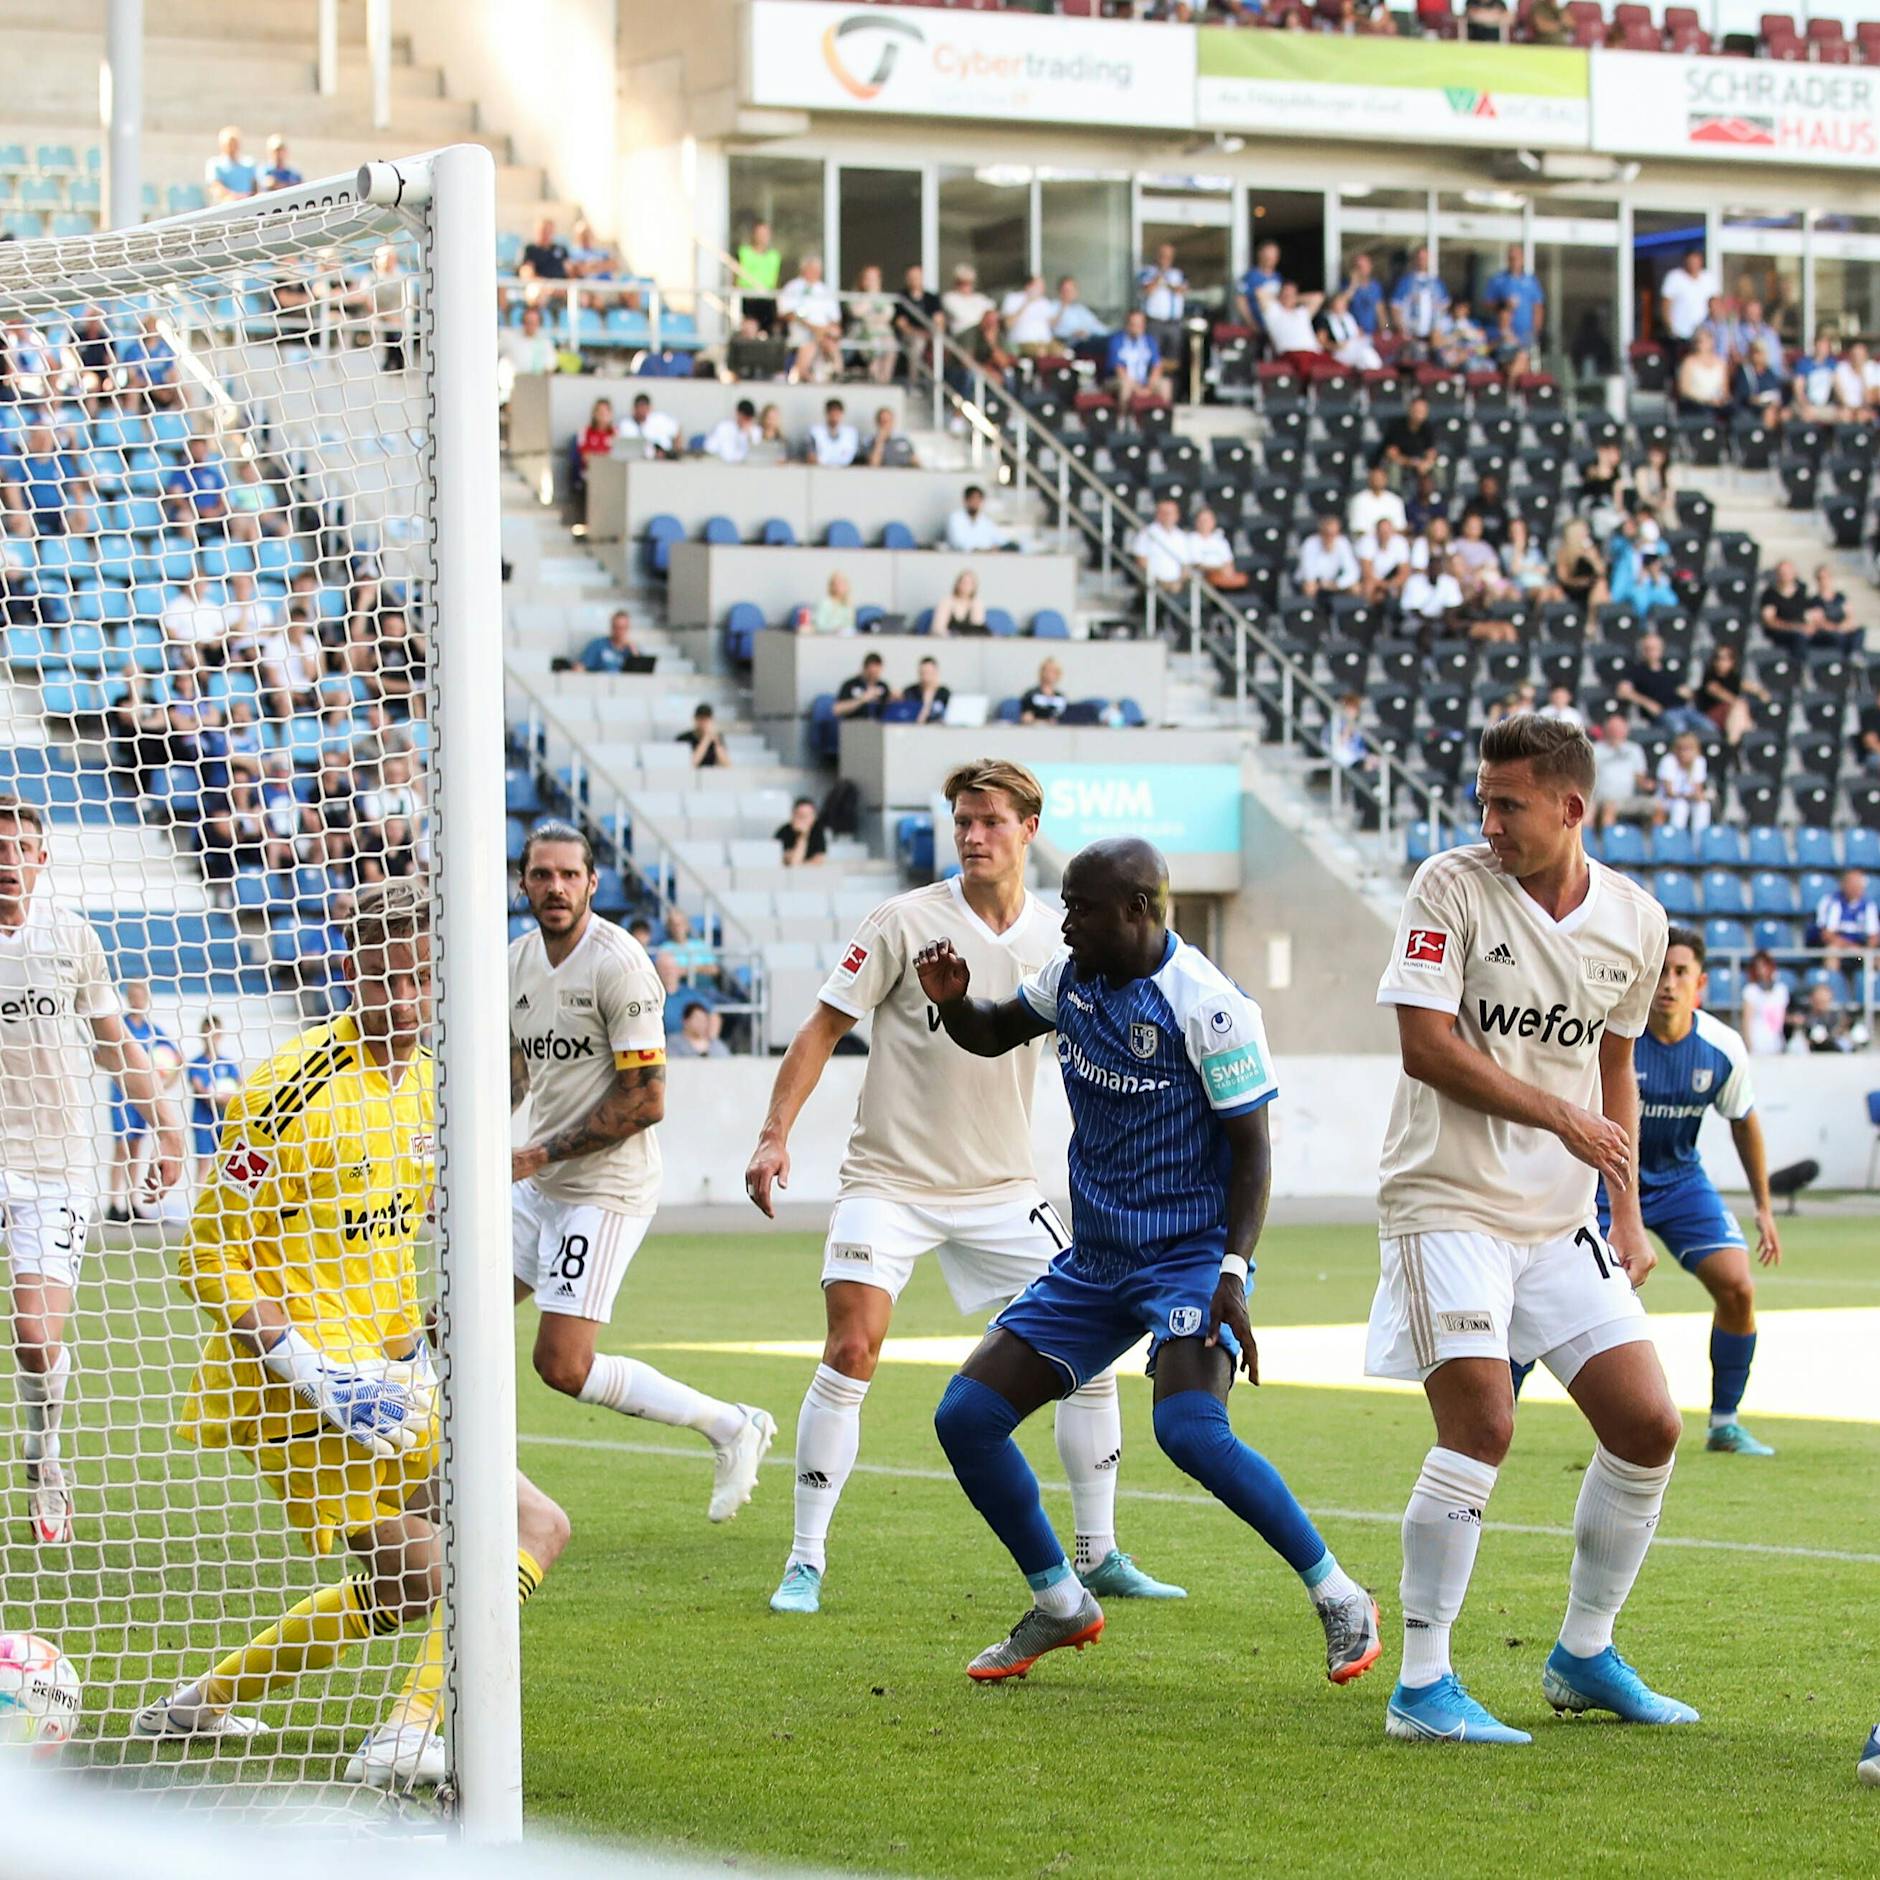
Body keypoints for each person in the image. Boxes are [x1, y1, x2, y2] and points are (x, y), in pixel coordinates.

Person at [134, 881, 570, 1791]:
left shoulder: (431, 1083)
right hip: (292, 1393)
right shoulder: (285, 1088)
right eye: (382, 980)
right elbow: (206, 1255)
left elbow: (397, 1238)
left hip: (391, 1381)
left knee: (463, 1562)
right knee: (472, 1558)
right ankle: (407, 1731)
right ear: (348, 975)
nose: (403, 1002)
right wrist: (311, 1367)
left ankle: (201, 1702)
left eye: (419, 980)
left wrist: (414, 1350)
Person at [916, 836, 1378, 1684]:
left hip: (1189, 1257)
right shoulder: (1073, 981)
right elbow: (992, 1032)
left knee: (1189, 1431)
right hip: (1095, 1257)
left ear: (1137, 910)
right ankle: (1061, 1603)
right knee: (965, 1418)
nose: (1064, 925)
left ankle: (1342, 1596)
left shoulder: (1210, 1007)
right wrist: (954, 1003)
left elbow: (1254, 1154)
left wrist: (1232, 1272)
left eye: (1080, 909)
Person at [745, 764, 1180, 1616]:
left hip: (1003, 1188)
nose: (974, 835)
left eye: (990, 821)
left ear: (1028, 828)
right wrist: (773, 1135)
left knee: (1087, 1361)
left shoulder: (1068, 937)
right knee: (851, 1350)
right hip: (890, 1180)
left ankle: (1097, 1554)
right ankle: (804, 1561)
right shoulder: (903, 922)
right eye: (962, 821)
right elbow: (823, 1027)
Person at [1370, 713, 1685, 1746]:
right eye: (1480, 799)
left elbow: (1614, 1070)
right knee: (1482, 1426)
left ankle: (1583, 1652)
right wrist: (1558, 1117)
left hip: (1555, 1219)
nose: (1486, 819)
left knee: (1645, 1424)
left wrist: (1625, 1206)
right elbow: (1423, 1045)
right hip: (1446, 1198)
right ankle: (1421, 1682)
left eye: (1506, 803)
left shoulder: (1636, 921)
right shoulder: (1449, 886)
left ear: (1569, 808)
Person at [509, 826, 773, 1509]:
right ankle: (444, 1484)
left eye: (570, 875)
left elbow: (647, 1100)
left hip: (605, 1189)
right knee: (448, 1318)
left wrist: (533, 1154)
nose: (556, 887)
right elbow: (516, 1075)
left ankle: (731, 1425)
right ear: (523, 883)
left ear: (593, 883)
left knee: (561, 1366)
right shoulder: (516, 963)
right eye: (542, 875)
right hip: (539, 1181)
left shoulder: (619, 965)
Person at [1507, 927, 1779, 1457]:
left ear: (1700, 984)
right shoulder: (1607, 1041)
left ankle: (1724, 1422)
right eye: (1661, 973)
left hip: (1679, 1182)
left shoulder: (1722, 1048)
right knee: (1551, 1293)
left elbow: (1744, 1122)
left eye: (1682, 974)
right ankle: (1497, 1419)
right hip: (1602, 1180)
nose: (1669, 985)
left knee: (1738, 1287)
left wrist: (1764, 1208)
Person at [0, 799, 182, 1545]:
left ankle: (46, 1456)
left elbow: (112, 1048)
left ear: (42, 860)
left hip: (54, 1162)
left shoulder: (72, 935)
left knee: (37, 1339)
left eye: (21, 848)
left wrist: (165, 1124)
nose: (9, 860)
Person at [184, 1011, 243, 1190]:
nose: (212, 1038)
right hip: (203, 1121)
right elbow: (200, 1090)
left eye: (215, 1034)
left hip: (225, 1121)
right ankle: (200, 1212)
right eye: (208, 1033)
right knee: (204, 1166)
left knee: (225, 1166)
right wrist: (216, 1097)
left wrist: (229, 1097)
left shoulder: (228, 1064)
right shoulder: (196, 1064)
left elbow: (241, 1088)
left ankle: (221, 1210)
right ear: (202, 1035)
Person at [779, 258, 844, 382]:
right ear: (804, 270)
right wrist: (813, 328)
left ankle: (837, 375)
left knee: (831, 341)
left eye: (817, 270)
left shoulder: (825, 290)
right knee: (810, 344)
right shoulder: (793, 287)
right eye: (811, 269)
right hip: (801, 333)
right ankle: (803, 376)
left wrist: (824, 331)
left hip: (824, 335)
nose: (814, 272)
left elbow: (835, 319)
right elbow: (786, 313)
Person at [1591, 711, 1658, 832]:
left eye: (1620, 729)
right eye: (1613, 729)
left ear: (1626, 730)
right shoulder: (1595, 750)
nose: (1616, 732)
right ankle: (1611, 846)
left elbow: (1639, 776)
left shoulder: (1634, 749)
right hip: (1604, 799)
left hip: (1629, 798)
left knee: (1658, 807)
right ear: (1606, 730)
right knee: (1609, 808)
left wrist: (1645, 784)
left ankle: (1661, 845)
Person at [1254, 281, 1327, 379]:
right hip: (1291, 353)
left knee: (1339, 368)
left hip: (1314, 353)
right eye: (1285, 293)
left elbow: (1319, 297)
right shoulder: (1274, 311)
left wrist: (1294, 298)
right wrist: (1281, 297)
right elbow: (1259, 293)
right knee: (1305, 367)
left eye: (1291, 293)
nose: (1288, 296)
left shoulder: (1302, 312)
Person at [1482, 243, 1545, 353]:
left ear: (1523, 259)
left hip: (1526, 333)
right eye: (1511, 258)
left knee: (1524, 358)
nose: (1514, 261)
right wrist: (1503, 304)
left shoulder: (1531, 281)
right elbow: (1487, 303)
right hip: (1505, 334)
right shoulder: (1498, 280)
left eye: (1517, 258)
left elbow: (1538, 307)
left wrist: (1535, 331)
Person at [1696, 643, 1761, 745]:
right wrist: (1737, 702)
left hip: (1731, 715)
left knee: (1740, 710)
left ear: (1732, 662)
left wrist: (1762, 693)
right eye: (1718, 658)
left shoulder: (1734, 678)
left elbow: (1750, 687)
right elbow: (1716, 691)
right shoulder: (1710, 677)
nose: (1721, 662)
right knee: (1740, 706)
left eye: (1725, 659)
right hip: (1711, 716)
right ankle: (1734, 743)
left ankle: (1741, 739)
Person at [1390, 245, 1450, 353]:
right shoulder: (1405, 282)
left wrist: (1438, 330)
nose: (1422, 261)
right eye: (1419, 258)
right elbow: (1395, 308)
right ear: (1414, 260)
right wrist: (1403, 331)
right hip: (1411, 336)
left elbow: (1444, 307)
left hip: (1433, 338)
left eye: (1425, 258)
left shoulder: (1437, 283)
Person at [1815, 867, 1879, 962]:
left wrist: (1866, 949)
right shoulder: (1832, 902)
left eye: (1859, 885)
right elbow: (1827, 935)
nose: (1857, 889)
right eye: (1853, 885)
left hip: (1860, 951)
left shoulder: (1869, 905)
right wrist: (1850, 947)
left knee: (1877, 956)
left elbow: (1874, 936)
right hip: (1839, 947)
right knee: (1832, 951)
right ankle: (1831, 976)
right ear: (1844, 885)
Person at [1660, 250, 1721, 350]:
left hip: (1704, 334)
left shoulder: (1709, 279)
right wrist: (1671, 330)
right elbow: (1666, 305)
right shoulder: (1675, 277)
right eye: (1691, 261)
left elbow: (1716, 304)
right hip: (1681, 334)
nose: (1694, 264)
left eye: (1696, 261)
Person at [848, 265, 899, 384]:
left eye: (874, 278)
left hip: (884, 332)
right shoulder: (856, 296)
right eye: (868, 278)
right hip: (866, 333)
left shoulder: (883, 297)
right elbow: (857, 312)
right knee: (875, 356)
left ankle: (885, 381)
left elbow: (888, 313)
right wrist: (870, 298)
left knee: (890, 351)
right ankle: (875, 382)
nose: (871, 282)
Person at [1105, 310, 1169, 405]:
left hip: (1144, 381)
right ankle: (1123, 416)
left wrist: (1149, 387)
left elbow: (1157, 365)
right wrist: (1137, 389)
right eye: (1133, 324)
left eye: (1140, 325)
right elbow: (1119, 370)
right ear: (1127, 324)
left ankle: (1161, 415)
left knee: (1165, 384)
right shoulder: (1117, 340)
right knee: (1125, 385)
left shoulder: (1149, 341)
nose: (1136, 328)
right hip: (1119, 380)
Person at [1655, 730, 1712, 835]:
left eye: (1688, 749)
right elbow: (1669, 792)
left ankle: (1698, 843)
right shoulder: (1668, 761)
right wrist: (1688, 795)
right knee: (1680, 806)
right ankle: (1677, 839)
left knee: (1703, 806)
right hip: (1668, 800)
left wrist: (1690, 769)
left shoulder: (1699, 761)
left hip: (1688, 798)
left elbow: (1697, 789)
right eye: (1681, 749)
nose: (1684, 753)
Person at [497, 305, 558, 402]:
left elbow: (551, 365)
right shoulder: (509, 338)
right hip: (511, 391)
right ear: (523, 322)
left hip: (534, 390)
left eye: (534, 322)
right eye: (528, 322)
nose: (531, 325)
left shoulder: (545, 343)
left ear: (539, 323)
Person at [1377, 393, 1438, 488]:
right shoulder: (1397, 427)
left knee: (1439, 465)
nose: (1420, 413)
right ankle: (1395, 492)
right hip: (1401, 462)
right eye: (1417, 410)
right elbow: (1391, 453)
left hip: (1419, 463)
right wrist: (1410, 462)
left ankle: (1438, 495)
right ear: (1410, 410)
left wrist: (1427, 463)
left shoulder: (1428, 428)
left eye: (1423, 411)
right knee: (1394, 467)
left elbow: (1431, 451)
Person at [1297, 513, 1360, 602]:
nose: (1330, 537)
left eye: (1334, 534)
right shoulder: (1310, 543)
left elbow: (1353, 571)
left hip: (1334, 582)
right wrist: (1323, 583)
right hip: (1316, 582)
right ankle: (1311, 613)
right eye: (1327, 534)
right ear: (1320, 533)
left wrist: (1338, 584)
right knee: (1310, 587)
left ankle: (1351, 614)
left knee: (1355, 587)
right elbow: (1309, 573)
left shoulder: (1343, 542)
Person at [1738, 950, 1788, 1056]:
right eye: (1758, 967)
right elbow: (1746, 1021)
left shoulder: (1781, 990)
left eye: (1764, 966)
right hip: (1758, 1042)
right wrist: (1749, 1045)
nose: (1761, 971)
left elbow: (1781, 1018)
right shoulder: (1750, 991)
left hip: (1776, 1042)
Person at [734, 221, 782, 331]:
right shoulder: (743, 252)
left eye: (765, 234)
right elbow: (734, 275)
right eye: (759, 233)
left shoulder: (774, 256)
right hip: (748, 297)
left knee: (768, 331)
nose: (762, 237)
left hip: (767, 298)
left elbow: (776, 279)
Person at [1186, 507, 1246, 592]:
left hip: (1222, 576)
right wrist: (1218, 569)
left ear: (1213, 522)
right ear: (1196, 522)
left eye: (1207, 520)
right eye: (1202, 520)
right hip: (1202, 578)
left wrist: (1226, 572)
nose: (1204, 523)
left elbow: (1228, 562)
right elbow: (1196, 564)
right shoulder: (1191, 539)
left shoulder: (1220, 540)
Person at [1757, 559, 1811, 654]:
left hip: (1802, 629)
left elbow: (1811, 615)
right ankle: (1798, 666)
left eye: (1787, 572)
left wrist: (1809, 627)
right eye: (1782, 572)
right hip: (1781, 633)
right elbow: (1769, 621)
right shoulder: (1770, 595)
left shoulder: (1802, 593)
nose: (1784, 575)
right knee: (1799, 638)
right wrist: (1792, 627)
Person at [945, 484, 1014, 554]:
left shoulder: (986, 520)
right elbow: (958, 543)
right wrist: (981, 550)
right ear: (965, 500)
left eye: (978, 499)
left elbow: (1000, 539)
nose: (975, 502)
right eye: (973, 499)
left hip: (986, 559)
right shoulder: (956, 518)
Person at [1358, 516, 1412, 604]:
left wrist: (1391, 584)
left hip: (1392, 579)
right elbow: (1367, 572)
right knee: (1368, 586)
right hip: (1373, 580)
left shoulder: (1400, 542)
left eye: (1387, 531)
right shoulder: (1367, 541)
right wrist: (1383, 585)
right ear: (1376, 531)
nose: (1384, 534)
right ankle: (1367, 612)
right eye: (1382, 531)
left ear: (1392, 531)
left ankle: (1399, 612)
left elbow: (1404, 571)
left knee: (1406, 585)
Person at [1676, 328, 1731, 414]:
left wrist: (1719, 400)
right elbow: (1684, 390)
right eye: (1699, 341)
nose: (1702, 344)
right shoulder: (1688, 362)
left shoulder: (1721, 363)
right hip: (1696, 404)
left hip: (1717, 403)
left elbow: (1725, 391)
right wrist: (1706, 400)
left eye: (1706, 340)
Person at [1001, 275, 1059, 357]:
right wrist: (1027, 302)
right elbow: (1007, 324)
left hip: (1045, 342)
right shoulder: (1013, 298)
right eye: (1039, 286)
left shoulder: (1044, 302)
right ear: (1028, 286)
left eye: (1043, 286)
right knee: (1040, 353)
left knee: (1063, 352)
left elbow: (1053, 325)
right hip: (1023, 341)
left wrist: (1063, 306)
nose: (1043, 289)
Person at [1733, 339, 1788, 423]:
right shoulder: (1745, 372)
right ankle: (1767, 435)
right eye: (1757, 353)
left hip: (1770, 405)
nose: (1760, 356)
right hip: (1751, 408)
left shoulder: (1769, 373)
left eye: (1762, 353)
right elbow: (1743, 396)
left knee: (1784, 414)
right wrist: (1757, 400)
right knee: (1769, 413)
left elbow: (1776, 391)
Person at [1349, 463, 1407, 541]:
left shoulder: (1396, 501)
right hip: (1367, 542)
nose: (1377, 481)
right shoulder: (1358, 500)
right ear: (1369, 480)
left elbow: (1400, 528)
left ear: (1386, 479)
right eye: (1375, 478)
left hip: (1391, 542)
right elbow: (1358, 530)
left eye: (1380, 478)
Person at [616, 392, 678, 460]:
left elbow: (677, 430)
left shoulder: (660, 419)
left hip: (664, 460)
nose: (642, 410)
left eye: (644, 407)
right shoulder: (625, 425)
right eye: (640, 407)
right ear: (634, 408)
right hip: (636, 461)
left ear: (649, 408)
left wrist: (675, 452)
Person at [205, 125, 257, 202]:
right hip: (226, 206)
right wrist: (234, 197)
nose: (232, 147)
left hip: (247, 204)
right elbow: (216, 187)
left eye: (235, 143)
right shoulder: (214, 164)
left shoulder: (249, 164)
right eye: (229, 144)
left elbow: (255, 187)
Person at [834, 652, 890, 722]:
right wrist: (862, 699)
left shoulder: (883, 686)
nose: (873, 676)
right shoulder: (850, 685)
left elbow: (888, 708)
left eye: (876, 673)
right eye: (871, 673)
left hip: (878, 726)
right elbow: (837, 709)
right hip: (854, 725)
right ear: (864, 668)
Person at [1052, 276, 1107, 347]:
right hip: (1072, 343)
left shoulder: (1080, 309)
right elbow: (1054, 330)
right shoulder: (1054, 306)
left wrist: (1112, 335)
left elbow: (1096, 325)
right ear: (1059, 291)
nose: (1068, 293)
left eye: (1072, 290)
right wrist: (1073, 334)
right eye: (1065, 290)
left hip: (1090, 339)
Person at [941, 265, 993, 337]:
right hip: (962, 336)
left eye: (969, 283)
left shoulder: (981, 298)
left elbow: (991, 315)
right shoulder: (949, 297)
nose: (965, 286)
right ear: (956, 283)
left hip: (982, 334)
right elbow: (963, 317)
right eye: (962, 283)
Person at [701, 399, 758, 465]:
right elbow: (709, 447)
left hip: (746, 468)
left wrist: (747, 434)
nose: (745, 420)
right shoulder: (723, 427)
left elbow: (755, 453)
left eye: (748, 418)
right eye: (743, 417)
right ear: (737, 413)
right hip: (723, 466)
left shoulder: (755, 431)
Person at [806, 398, 859, 468]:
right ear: (826, 414)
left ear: (841, 414)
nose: (834, 417)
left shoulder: (851, 433)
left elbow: (851, 457)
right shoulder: (815, 432)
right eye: (831, 413)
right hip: (821, 470)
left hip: (846, 471)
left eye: (837, 413)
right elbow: (811, 457)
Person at [932, 570, 987, 636]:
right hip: (947, 641)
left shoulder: (977, 603)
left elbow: (977, 630)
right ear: (957, 584)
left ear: (974, 586)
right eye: (964, 582)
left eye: (970, 583)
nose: (966, 586)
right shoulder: (946, 602)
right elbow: (937, 629)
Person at [677, 702, 730, 768]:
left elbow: (727, 765)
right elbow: (691, 765)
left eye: (706, 719)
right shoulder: (683, 738)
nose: (703, 722)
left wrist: (716, 741)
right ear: (695, 719)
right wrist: (706, 739)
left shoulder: (716, 738)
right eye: (701, 718)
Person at [865, 405, 917, 470]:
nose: (886, 424)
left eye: (888, 420)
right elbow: (873, 465)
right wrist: (880, 441)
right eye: (883, 421)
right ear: (877, 422)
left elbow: (915, 461)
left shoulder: (903, 440)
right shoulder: (870, 441)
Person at [806, 571, 856, 637]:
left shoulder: (848, 605)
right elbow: (818, 625)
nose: (842, 586)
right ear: (832, 586)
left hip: (843, 639)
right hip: (824, 638)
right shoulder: (824, 603)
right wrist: (835, 629)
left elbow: (850, 626)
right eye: (839, 583)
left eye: (844, 583)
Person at [904, 655, 950, 724]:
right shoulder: (911, 692)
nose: (925, 676)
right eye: (923, 673)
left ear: (936, 672)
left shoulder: (945, 693)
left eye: (929, 672)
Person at [1020, 659, 1068, 724]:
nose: (1049, 674)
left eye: (1054, 672)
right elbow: (1026, 718)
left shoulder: (1060, 697)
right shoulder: (1031, 695)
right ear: (1041, 672)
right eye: (1047, 670)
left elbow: (1064, 718)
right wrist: (1044, 722)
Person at [577, 398, 615, 465]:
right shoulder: (585, 431)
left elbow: (619, 456)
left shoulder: (615, 432)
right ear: (594, 413)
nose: (603, 414)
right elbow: (585, 457)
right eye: (600, 411)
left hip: (612, 468)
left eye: (606, 411)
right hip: (591, 470)